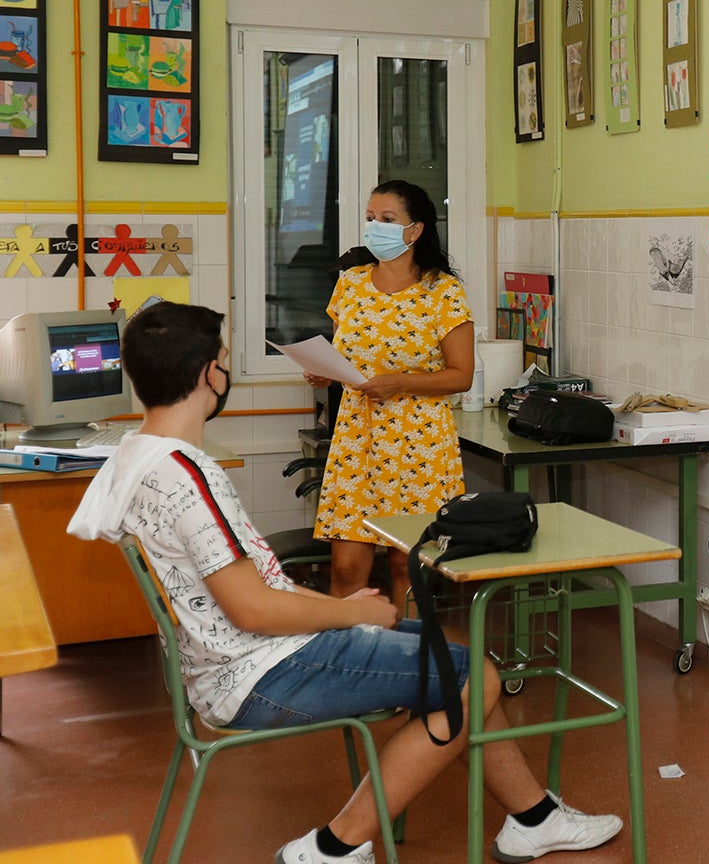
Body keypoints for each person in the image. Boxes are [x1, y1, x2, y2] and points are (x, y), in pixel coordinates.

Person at [67, 301, 623, 864]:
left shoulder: (136, 456)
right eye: (227, 360)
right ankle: (334, 847)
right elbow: (253, 609)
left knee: (456, 657)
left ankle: (534, 818)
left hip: (223, 663)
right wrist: (355, 614)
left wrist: (341, 606)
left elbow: (254, 582)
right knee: (472, 678)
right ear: (211, 373)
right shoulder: (190, 474)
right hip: (254, 671)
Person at [306, 180, 472, 611]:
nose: (374, 227)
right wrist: (324, 373)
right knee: (345, 566)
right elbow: (344, 354)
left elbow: (461, 376)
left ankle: (410, 660)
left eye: (386, 219)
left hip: (418, 442)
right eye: (369, 219)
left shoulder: (443, 292)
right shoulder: (352, 284)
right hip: (356, 441)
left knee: (407, 566)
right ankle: (345, 658)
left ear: (414, 231)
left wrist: (399, 382)